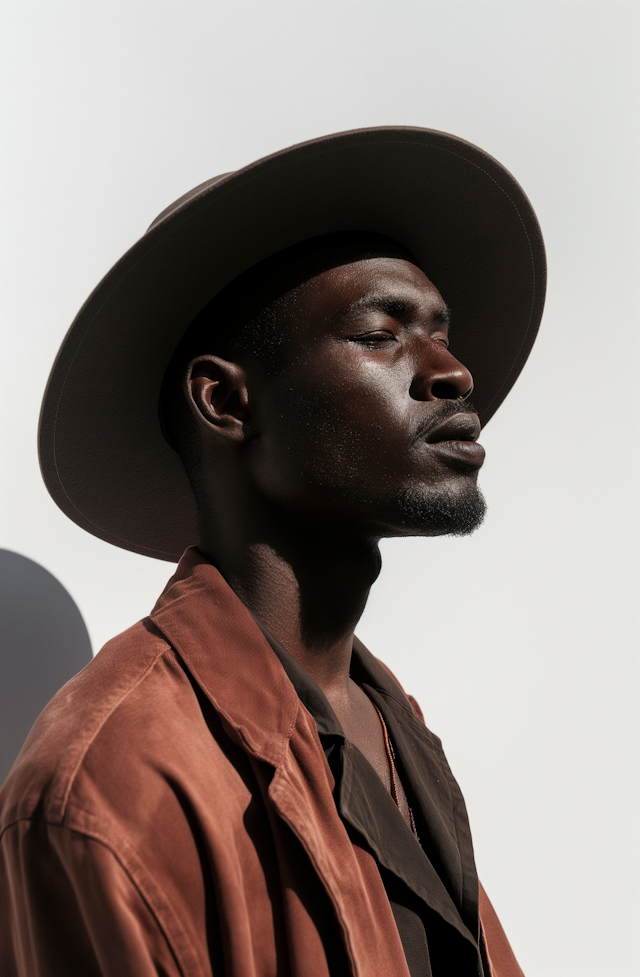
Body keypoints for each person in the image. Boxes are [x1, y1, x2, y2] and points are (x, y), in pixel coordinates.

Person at [0, 127, 546, 977]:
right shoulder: (107, 785)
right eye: (381, 332)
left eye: (443, 332)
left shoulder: (391, 723)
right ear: (225, 400)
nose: (451, 371)